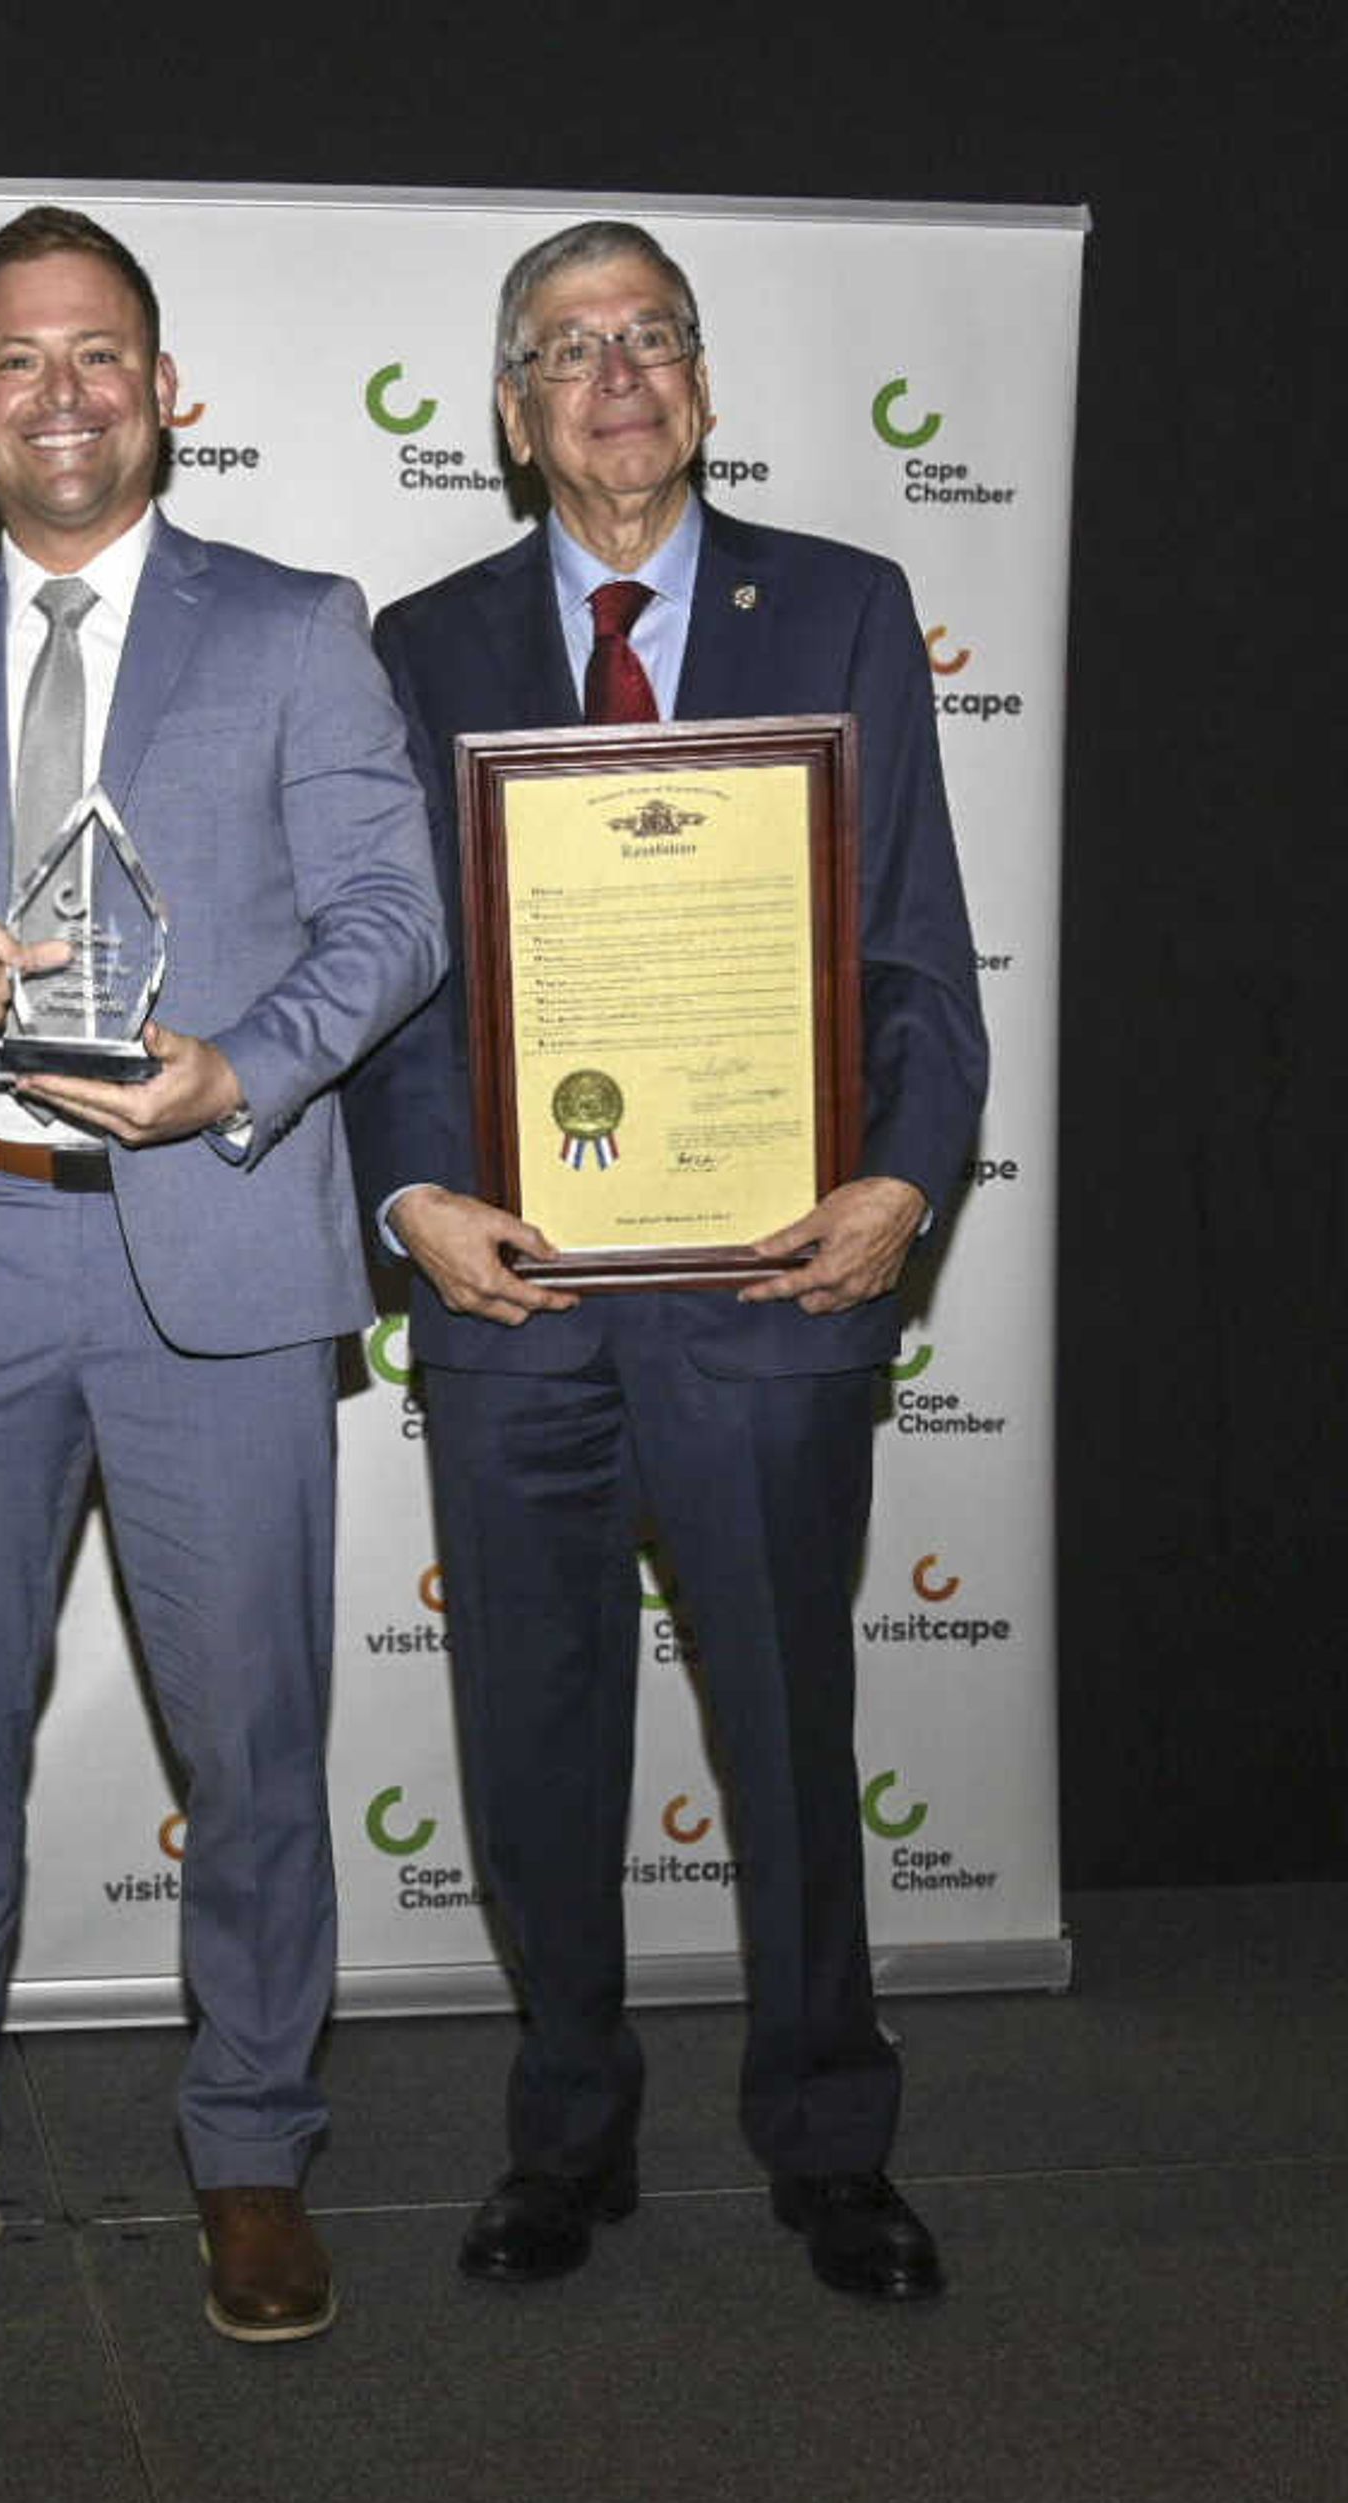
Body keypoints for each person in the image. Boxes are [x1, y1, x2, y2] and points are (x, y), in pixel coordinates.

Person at [0, 207, 442, 2345]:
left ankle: (253, 2152)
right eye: (13, 362)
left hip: (222, 1269)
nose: (57, 393)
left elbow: (389, 920)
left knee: (252, 1748)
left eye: (97, 356)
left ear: (164, 393)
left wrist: (234, 1070)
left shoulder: (296, 627)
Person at [342, 219, 990, 2302]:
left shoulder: (852, 609)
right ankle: (567, 2132)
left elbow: (911, 944)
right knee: (535, 1735)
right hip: (514, 1295)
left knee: (792, 1733)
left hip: (773, 1289)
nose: (615, 375)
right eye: (568, 347)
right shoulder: (420, 647)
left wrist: (902, 1179)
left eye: (651, 338)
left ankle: (828, 2133)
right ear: (511, 413)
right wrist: (411, 1189)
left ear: (701, 386)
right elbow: (383, 971)